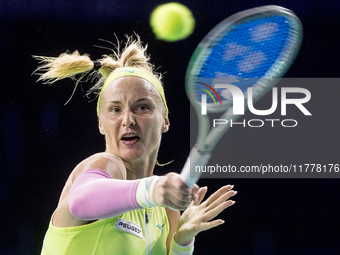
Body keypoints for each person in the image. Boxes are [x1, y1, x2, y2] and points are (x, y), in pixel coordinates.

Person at [34, 35, 237, 255]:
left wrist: (183, 241)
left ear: (165, 120)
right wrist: (153, 189)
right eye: (115, 109)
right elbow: (81, 201)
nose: (128, 119)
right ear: (101, 123)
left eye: (142, 107)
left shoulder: (166, 208)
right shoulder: (105, 166)